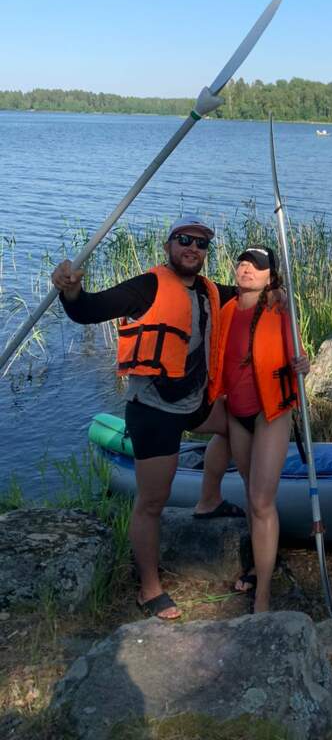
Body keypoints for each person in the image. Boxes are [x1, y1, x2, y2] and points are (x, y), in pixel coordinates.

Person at [51, 216, 281, 620]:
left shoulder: (211, 291)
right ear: (168, 246)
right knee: (152, 501)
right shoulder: (148, 286)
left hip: (197, 403)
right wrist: (71, 293)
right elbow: (90, 310)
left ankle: (208, 501)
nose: (193, 248)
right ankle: (149, 588)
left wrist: (277, 293)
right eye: (184, 240)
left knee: (234, 422)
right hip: (155, 411)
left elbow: (251, 293)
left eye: (201, 244)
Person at [209, 245, 308, 613]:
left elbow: (298, 353)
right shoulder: (227, 307)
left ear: (271, 277)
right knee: (252, 496)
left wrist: (304, 363)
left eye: (258, 266)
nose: (247, 269)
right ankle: (258, 562)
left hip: (271, 414)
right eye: (243, 263)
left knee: (262, 501)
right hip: (237, 414)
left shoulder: (280, 308)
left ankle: (263, 593)